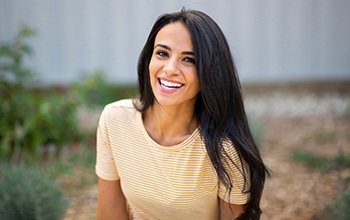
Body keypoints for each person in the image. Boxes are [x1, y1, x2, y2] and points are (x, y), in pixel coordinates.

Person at [95, 8, 269, 220]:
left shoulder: (225, 148)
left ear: (210, 72)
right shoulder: (115, 120)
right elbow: (109, 213)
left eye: (188, 60)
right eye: (162, 53)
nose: (169, 69)